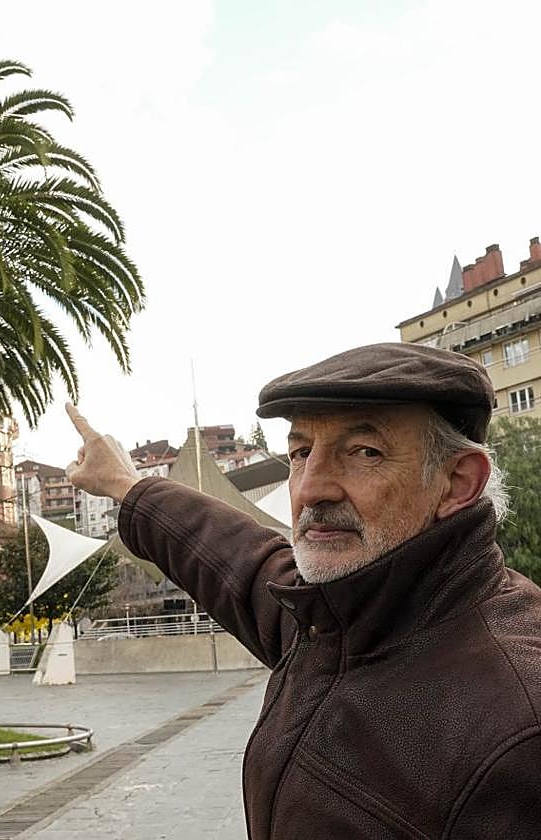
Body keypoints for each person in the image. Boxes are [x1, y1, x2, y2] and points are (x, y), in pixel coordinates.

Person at [66, 342, 541, 840]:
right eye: (301, 452)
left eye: (364, 452)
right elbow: (236, 557)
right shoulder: (332, 623)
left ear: (457, 482)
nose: (312, 488)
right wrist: (127, 485)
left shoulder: (519, 723)